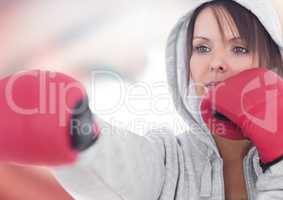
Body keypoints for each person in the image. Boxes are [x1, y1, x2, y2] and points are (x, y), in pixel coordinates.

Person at [1, 0, 283, 199]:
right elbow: (124, 167)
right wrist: (78, 131)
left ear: (273, 62)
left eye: (239, 48)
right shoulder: (170, 159)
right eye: (202, 47)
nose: (216, 63)